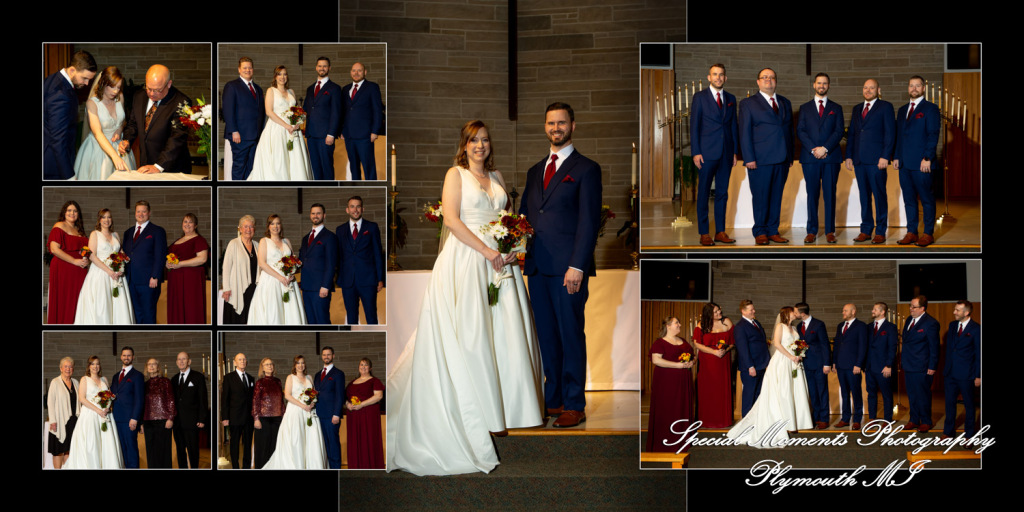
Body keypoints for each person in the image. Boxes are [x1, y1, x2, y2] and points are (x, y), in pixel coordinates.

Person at [388, 120, 544, 475]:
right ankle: (480, 413)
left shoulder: (499, 177)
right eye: (474, 140)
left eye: (485, 140)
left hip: (501, 264)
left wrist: (511, 248)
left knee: (502, 336)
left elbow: (509, 220)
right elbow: (454, 221)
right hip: (467, 260)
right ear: (465, 144)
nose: (480, 146)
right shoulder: (455, 175)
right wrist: (486, 253)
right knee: (472, 336)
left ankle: (504, 409)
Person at [520, 103, 600, 428]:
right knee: (547, 337)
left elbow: (589, 221)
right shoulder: (534, 170)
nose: (556, 128)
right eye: (551, 123)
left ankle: (573, 403)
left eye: (562, 123)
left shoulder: (586, 169)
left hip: (569, 270)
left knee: (570, 335)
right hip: (538, 267)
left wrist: (577, 265)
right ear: (545, 127)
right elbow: (525, 217)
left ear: (573, 126)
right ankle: (552, 400)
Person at [726, 306, 812, 447]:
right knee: (783, 392)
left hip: (794, 363)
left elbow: (797, 344)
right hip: (782, 361)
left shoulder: (795, 329)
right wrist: (791, 356)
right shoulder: (780, 326)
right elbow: (776, 344)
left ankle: (794, 421)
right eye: (793, 311)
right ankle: (783, 422)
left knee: (793, 391)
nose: (795, 313)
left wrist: (798, 354)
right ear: (787, 313)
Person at [739, 68, 793, 245]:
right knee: (761, 196)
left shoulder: (785, 102)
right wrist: (748, 158)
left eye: (772, 77)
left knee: (776, 196)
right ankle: (760, 231)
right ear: (758, 81)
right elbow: (744, 132)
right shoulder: (748, 103)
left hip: (782, 159)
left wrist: (790, 156)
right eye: (765, 77)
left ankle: (772, 230)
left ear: (776, 81)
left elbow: (789, 131)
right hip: (760, 159)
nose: (768, 80)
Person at [690, 64, 738, 246]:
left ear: (725, 78)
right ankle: (704, 233)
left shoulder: (731, 98)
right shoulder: (700, 97)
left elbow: (733, 126)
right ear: (709, 77)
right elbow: (694, 126)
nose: (718, 77)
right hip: (706, 153)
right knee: (703, 193)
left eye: (721, 75)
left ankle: (720, 231)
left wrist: (734, 151)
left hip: (726, 153)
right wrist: (696, 152)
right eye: (714, 74)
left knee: (722, 193)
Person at [845, 79, 895, 244]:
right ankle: (866, 230)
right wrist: (849, 155)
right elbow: (852, 133)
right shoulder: (857, 108)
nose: (868, 90)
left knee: (879, 196)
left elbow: (890, 133)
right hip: (859, 160)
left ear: (878, 90)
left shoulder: (886, 107)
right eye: (865, 87)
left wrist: (885, 156)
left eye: (871, 88)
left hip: (877, 160)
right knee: (864, 197)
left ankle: (880, 231)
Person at [796, 73, 845, 244]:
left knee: (830, 194)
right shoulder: (804, 108)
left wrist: (824, 148)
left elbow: (839, 131)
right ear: (814, 85)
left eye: (825, 83)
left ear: (828, 86)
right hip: (810, 158)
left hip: (830, 157)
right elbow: (800, 130)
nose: (822, 86)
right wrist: (813, 149)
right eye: (819, 83)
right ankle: (811, 231)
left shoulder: (836, 108)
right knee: (812, 194)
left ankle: (830, 230)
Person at [894, 75, 941, 247]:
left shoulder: (931, 109)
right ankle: (912, 232)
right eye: (911, 85)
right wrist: (897, 156)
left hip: (922, 163)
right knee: (909, 200)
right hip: (904, 164)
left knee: (927, 199)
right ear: (908, 88)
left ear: (923, 89)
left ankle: (928, 233)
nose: (914, 88)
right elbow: (899, 137)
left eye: (917, 85)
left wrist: (927, 157)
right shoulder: (902, 110)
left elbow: (933, 134)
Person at [118, 64, 192, 174]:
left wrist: (158, 166)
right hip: (146, 164)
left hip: (171, 168)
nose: (152, 94)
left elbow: (177, 139)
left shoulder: (182, 103)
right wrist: (127, 140)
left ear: (169, 84)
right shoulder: (139, 96)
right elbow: (133, 124)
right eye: (149, 88)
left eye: (157, 90)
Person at [247, 65, 313, 181]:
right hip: (277, 129)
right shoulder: (271, 90)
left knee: (294, 158)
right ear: (275, 76)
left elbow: (297, 110)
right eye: (279, 74)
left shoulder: (291, 91)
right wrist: (286, 126)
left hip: (293, 130)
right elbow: (269, 112)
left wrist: (298, 122)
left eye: (285, 74)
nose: (282, 77)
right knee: (279, 158)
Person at [263, 355, 327, 469]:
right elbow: (287, 395)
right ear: (294, 365)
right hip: (295, 412)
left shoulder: (309, 377)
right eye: (298, 363)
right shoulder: (290, 377)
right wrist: (303, 405)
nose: (300, 365)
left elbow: (313, 393)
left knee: (311, 440)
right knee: (297, 440)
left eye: (302, 363)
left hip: (309, 412)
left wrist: (312, 403)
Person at [73, 66, 136, 180]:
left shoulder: (119, 97)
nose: (115, 91)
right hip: (98, 149)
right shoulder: (92, 103)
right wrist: (114, 157)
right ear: (103, 83)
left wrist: (119, 130)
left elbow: (122, 121)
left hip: (119, 146)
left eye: (118, 87)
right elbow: (97, 133)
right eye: (112, 87)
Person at [74, 209, 134, 324]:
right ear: (99, 220)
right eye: (104, 217)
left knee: (118, 304)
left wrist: (122, 265)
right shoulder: (95, 234)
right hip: (100, 274)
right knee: (102, 304)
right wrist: (109, 271)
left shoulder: (115, 234)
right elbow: (92, 256)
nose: (107, 220)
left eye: (109, 217)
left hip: (116, 274)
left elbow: (120, 253)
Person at [63, 356, 124, 469]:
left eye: (97, 364)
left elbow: (110, 396)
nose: (95, 366)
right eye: (92, 364)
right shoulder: (84, 379)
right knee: (92, 444)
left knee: (106, 444)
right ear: (89, 366)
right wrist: (98, 411)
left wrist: (107, 408)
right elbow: (82, 399)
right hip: (90, 415)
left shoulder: (104, 379)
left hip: (105, 415)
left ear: (99, 366)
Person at [44, 50, 97, 180]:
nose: (86, 84)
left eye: (89, 80)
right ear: (72, 70)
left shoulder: (51, 79)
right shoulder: (61, 94)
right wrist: (69, 176)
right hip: (54, 165)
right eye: (84, 78)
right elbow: (58, 139)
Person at [645, 317, 695, 452]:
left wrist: (691, 362)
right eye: (676, 323)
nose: (680, 324)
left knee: (681, 408)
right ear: (668, 326)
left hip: (683, 381)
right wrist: (677, 365)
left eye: (679, 322)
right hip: (666, 382)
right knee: (667, 409)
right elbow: (656, 360)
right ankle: (666, 440)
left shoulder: (683, 341)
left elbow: (692, 356)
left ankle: (682, 439)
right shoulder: (660, 343)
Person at [247, 214, 306, 324]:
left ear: (281, 226)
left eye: (278, 223)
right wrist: (280, 277)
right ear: (268, 226)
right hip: (271, 281)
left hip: (288, 282)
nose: (275, 226)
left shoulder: (286, 241)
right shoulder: (264, 241)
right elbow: (262, 263)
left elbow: (293, 261)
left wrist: (292, 274)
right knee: (274, 310)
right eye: (272, 223)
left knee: (290, 312)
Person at [335, 196, 385, 324]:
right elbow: (339, 256)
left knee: (371, 316)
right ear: (347, 210)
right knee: (351, 317)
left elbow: (377, 254)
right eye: (352, 206)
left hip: (368, 280)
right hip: (348, 281)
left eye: (358, 206)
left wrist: (380, 278)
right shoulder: (340, 230)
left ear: (363, 209)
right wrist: (339, 278)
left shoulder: (372, 227)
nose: (355, 209)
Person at [122, 200, 166, 324]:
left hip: (149, 281)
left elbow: (160, 255)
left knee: (148, 314)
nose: (141, 214)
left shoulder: (157, 231)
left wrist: (155, 276)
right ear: (135, 213)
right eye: (138, 211)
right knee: (135, 315)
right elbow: (125, 255)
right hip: (130, 281)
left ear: (149, 213)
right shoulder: (128, 232)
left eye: (144, 211)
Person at [46, 201, 90, 324]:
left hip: (79, 270)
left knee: (78, 300)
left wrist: (85, 260)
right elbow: (54, 249)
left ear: (78, 214)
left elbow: (86, 250)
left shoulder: (79, 230)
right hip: (63, 268)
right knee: (66, 300)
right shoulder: (59, 225)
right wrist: (75, 261)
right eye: (69, 210)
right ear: (64, 213)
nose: (72, 213)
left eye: (75, 211)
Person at [692, 303, 734, 428]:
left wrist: (724, 350)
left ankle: (723, 420)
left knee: (722, 389)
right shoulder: (701, 324)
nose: (719, 313)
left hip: (723, 360)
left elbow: (732, 341)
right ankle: (707, 419)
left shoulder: (727, 322)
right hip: (708, 361)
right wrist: (714, 352)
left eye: (719, 310)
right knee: (708, 390)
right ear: (709, 314)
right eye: (715, 312)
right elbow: (697, 344)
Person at [222, 57, 265, 180]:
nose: (248, 70)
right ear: (239, 70)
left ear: (253, 69)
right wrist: (234, 131)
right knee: (239, 166)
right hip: (240, 136)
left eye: (250, 67)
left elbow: (260, 113)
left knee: (251, 167)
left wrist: (261, 133)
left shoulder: (258, 88)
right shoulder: (232, 86)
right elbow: (228, 110)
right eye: (245, 68)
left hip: (255, 136)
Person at [902, 295, 940, 432]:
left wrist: (932, 366)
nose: (911, 309)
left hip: (922, 366)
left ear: (922, 308)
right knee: (912, 395)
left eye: (914, 307)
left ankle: (926, 421)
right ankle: (914, 420)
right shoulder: (908, 320)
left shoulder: (931, 323)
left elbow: (934, 347)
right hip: (908, 365)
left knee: (922, 395)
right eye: (910, 306)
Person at [943, 300, 980, 438]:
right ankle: (948, 432)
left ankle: (969, 436)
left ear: (966, 312)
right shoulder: (952, 325)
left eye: (957, 310)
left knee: (969, 406)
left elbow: (979, 354)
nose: (954, 312)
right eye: (954, 309)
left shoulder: (976, 329)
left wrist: (978, 376)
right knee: (949, 404)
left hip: (967, 374)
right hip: (950, 373)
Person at [340, 62, 383, 180]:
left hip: (365, 135)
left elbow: (377, 111)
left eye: (359, 70)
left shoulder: (372, 87)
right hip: (349, 136)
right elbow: (342, 111)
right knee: (354, 169)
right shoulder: (345, 89)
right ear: (350, 72)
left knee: (368, 168)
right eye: (354, 70)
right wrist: (342, 129)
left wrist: (375, 131)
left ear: (365, 72)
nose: (356, 73)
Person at [303, 57, 343, 180]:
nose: (322, 68)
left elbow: (336, 113)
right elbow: (305, 110)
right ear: (316, 68)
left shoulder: (335, 88)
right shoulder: (310, 88)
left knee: (327, 167)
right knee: (315, 169)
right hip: (311, 135)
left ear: (329, 68)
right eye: (320, 66)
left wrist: (331, 134)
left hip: (326, 135)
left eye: (325, 66)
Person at [165, 213, 209, 324]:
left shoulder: (199, 240)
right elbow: (169, 257)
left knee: (191, 307)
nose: (187, 224)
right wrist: (167, 263)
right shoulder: (176, 241)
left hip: (190, 281)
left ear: (195, 225)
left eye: (190, 222)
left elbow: (202, 259)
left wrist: (180, 264)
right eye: (185, 221)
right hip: (175, 281)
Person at [298, 204, 338, 324]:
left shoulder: (330, 237)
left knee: (322, 320)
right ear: (310, 215)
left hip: (320, 288)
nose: (315, 216)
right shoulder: (305, 238)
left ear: (324, 215)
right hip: (306, 287)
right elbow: (301, 260)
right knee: (310, 321)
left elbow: (331, 263)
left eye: (318, 213)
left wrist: (325, 286)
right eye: (313, 213)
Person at [793, 302, 831, 429]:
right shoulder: (798, 326)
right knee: (812, 392)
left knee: (822, 391)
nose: (795, 314)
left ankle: (824, 419)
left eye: (796, 312)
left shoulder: (819, 324)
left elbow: (825, 344)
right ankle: (816, 417)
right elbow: (799, 344)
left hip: (820, 364)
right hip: (806, 364)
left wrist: (827, 363)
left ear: (802, 314)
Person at [832, 304, 867, 430]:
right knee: (844, 393)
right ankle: (845, 419)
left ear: (853, 311)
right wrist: (834, 362)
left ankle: (857, 419)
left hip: (854, 367)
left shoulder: (861, 326)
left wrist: (858, 364)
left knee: (856, 392)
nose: (843, 312)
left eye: (845, 310)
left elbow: (863, 347)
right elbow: (836, 345)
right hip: (841, 366)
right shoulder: (840, 326)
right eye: (843, 310)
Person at [345, 357, 384, 468]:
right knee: (355, 442)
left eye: (366, 365)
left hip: (368, 415)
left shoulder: (375, 381)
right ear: (358, 367)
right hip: (354, 417)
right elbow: (345, 397)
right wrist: (348, 404)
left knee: (369, 440)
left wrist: (361, 404)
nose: (363, 367)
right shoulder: (352, 383)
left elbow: (378, 396)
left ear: (370, 368)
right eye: (361, 365)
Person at [109, 346, 144, 468]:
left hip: (129, 419)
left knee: (131, 449)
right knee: (121, 450)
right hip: (116, 418)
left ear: (133, 357)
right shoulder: (115, 376)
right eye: (124, 355)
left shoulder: (137, 375)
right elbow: (112, 395)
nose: (126, 357)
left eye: (129, 355)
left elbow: (140, 399)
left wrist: (135, 418)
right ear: (121, 357)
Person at [734, 300, 769, 416]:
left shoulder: (756, 323)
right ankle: (746, 424)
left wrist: (767, 362)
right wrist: (750, 366)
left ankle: (756, 420)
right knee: (749, 396)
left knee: (758, 394)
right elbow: (742, 349)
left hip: (761, 364)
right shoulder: (740, 327)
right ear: (743, 311)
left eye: (753, 309)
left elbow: (762, 343)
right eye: (751, 310)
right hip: (751, 367)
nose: (754, 311)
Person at [172, 352, 207, 469]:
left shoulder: (198, 377)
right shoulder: (174, 379)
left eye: (184, 359)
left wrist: (202, 419)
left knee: (193, 451)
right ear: (176, 362)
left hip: (192, 422)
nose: (181, 361)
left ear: (189, 361)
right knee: (180, 451)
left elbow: (203, 400)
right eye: (179, 359)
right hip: (177, 423)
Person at [221, 215, 258, 324]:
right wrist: (226, 288)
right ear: (240, 229)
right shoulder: (234, 243)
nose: (248, 230)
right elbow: (226, 267)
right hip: (236, 287)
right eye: (245, 226)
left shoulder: (257, 245)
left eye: (251, 227)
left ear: (254, 229)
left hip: (253, 289)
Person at [865, 302, 897, 422]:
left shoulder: (891, 327)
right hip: (870, 367)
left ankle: (887, 419)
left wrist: (888, 365)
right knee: (871, 394)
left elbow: (892, 348)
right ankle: (872, 418)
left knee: (886, 395)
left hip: (884, 367)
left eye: (875, 309)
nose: (872, 311)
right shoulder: (868, 327)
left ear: (882, 311)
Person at [314, 347, 346, 469]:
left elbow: (340, 395)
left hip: (331, 416)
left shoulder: (338, 374)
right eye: (324, 355)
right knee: (323, 445)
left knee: (333, 445)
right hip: (318, 415)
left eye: (328, 355)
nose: (326, 357)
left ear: (333, 356)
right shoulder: (317, 375)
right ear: (322, 356)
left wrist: (336, 414)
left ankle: (336, 470)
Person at [221, 353, 254, 469]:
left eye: (244, 359)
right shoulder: (229, 378)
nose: (243, 361)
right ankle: (235, 466)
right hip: (234, 417)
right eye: (240, 359)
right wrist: (225, 417)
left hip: (249, 418)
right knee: (234, 444)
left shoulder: (251, 378)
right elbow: (224, 399)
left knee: (248, 444)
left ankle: (246, 467)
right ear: (235, 362)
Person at [142, 358, 175, 468]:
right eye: (149, 364)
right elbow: (142, 404)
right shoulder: (144, 384)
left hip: (163, 420)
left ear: (158, 366)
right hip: (148, 421)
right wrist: (141, 423)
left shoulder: (166, 381)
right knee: (151, 452)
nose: (151, 366)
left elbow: (171, 400)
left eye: (154, 364)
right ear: (146, 367)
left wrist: (170, 418)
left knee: (164, 451)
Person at [47, 357, 79, 469]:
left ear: (73, 369)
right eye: (66, 366)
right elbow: (50, 402)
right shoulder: (55, 382)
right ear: (61, 368)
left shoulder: (76, 382)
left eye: (70, 367)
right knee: (58, 451)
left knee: (69, 450)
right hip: (59, 421)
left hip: (74, 421)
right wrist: (53, 421)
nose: (68, 369)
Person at [252, 357, 284, 469]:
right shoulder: (260, 382)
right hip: (263, 419)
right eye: (266, 364)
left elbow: (281, 401)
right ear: (263, 368)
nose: (269, 366)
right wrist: (256, 419)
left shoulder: (278, 381)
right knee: (263, 447)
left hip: (277, 419)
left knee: (275, 445)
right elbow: (255, 401)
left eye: (271, 364)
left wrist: (284, 416)